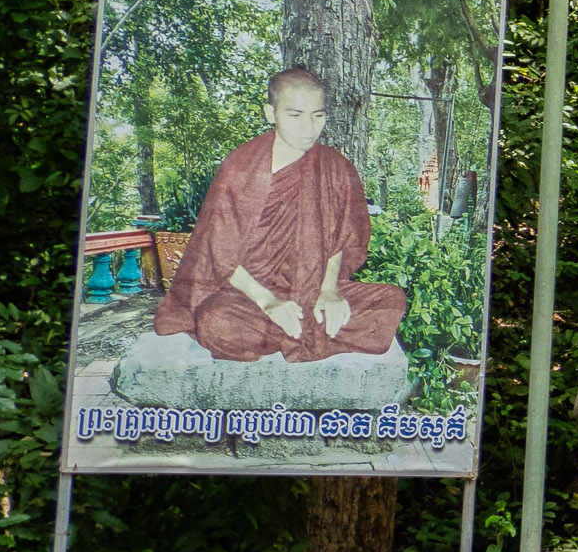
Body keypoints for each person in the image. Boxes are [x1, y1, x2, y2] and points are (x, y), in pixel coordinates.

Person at [154, 66, 406, 363]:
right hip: (249, 294)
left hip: (312, 287)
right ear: (271, 113)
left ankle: (291, 330)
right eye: (295, 115)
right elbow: (218, 251)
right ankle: (308, 331)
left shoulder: (335, 167)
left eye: (318, 115)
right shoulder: (241, 168)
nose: (308, 127)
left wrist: (329, 291)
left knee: (391, 301)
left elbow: (340, 238)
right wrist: (268, 301)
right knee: (216, 322)